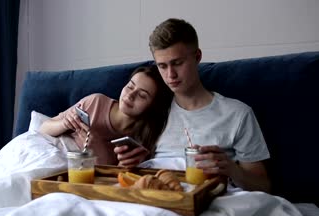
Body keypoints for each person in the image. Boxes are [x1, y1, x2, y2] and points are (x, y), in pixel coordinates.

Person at [115, 18, 271, 193]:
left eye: (177, 63)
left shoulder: (237, 114)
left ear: (197, 57)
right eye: (162, 66)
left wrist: (232, 169)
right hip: (154, 194)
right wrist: (129, 164)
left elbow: (263, 186)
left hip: (205, 197)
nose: (170, 75)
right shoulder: (154, 110)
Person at [39, 65, 173, 165]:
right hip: (54, 154)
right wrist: (64, 123)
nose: (130, 95)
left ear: (152, 107)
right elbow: (44, 128)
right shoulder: (96, 102)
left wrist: (98, 150)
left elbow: (116, 179)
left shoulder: (142, 139)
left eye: (142, 95)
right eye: (130, 87)